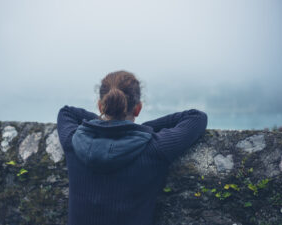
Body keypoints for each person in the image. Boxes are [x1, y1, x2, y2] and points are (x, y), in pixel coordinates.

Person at [57, 70, 208, 225]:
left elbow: (67, 112)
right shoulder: (155, 148)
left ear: (101, 106)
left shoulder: (73, 142)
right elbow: (196, 118)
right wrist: (143, 128)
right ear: (138, 108)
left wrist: (104, 122)